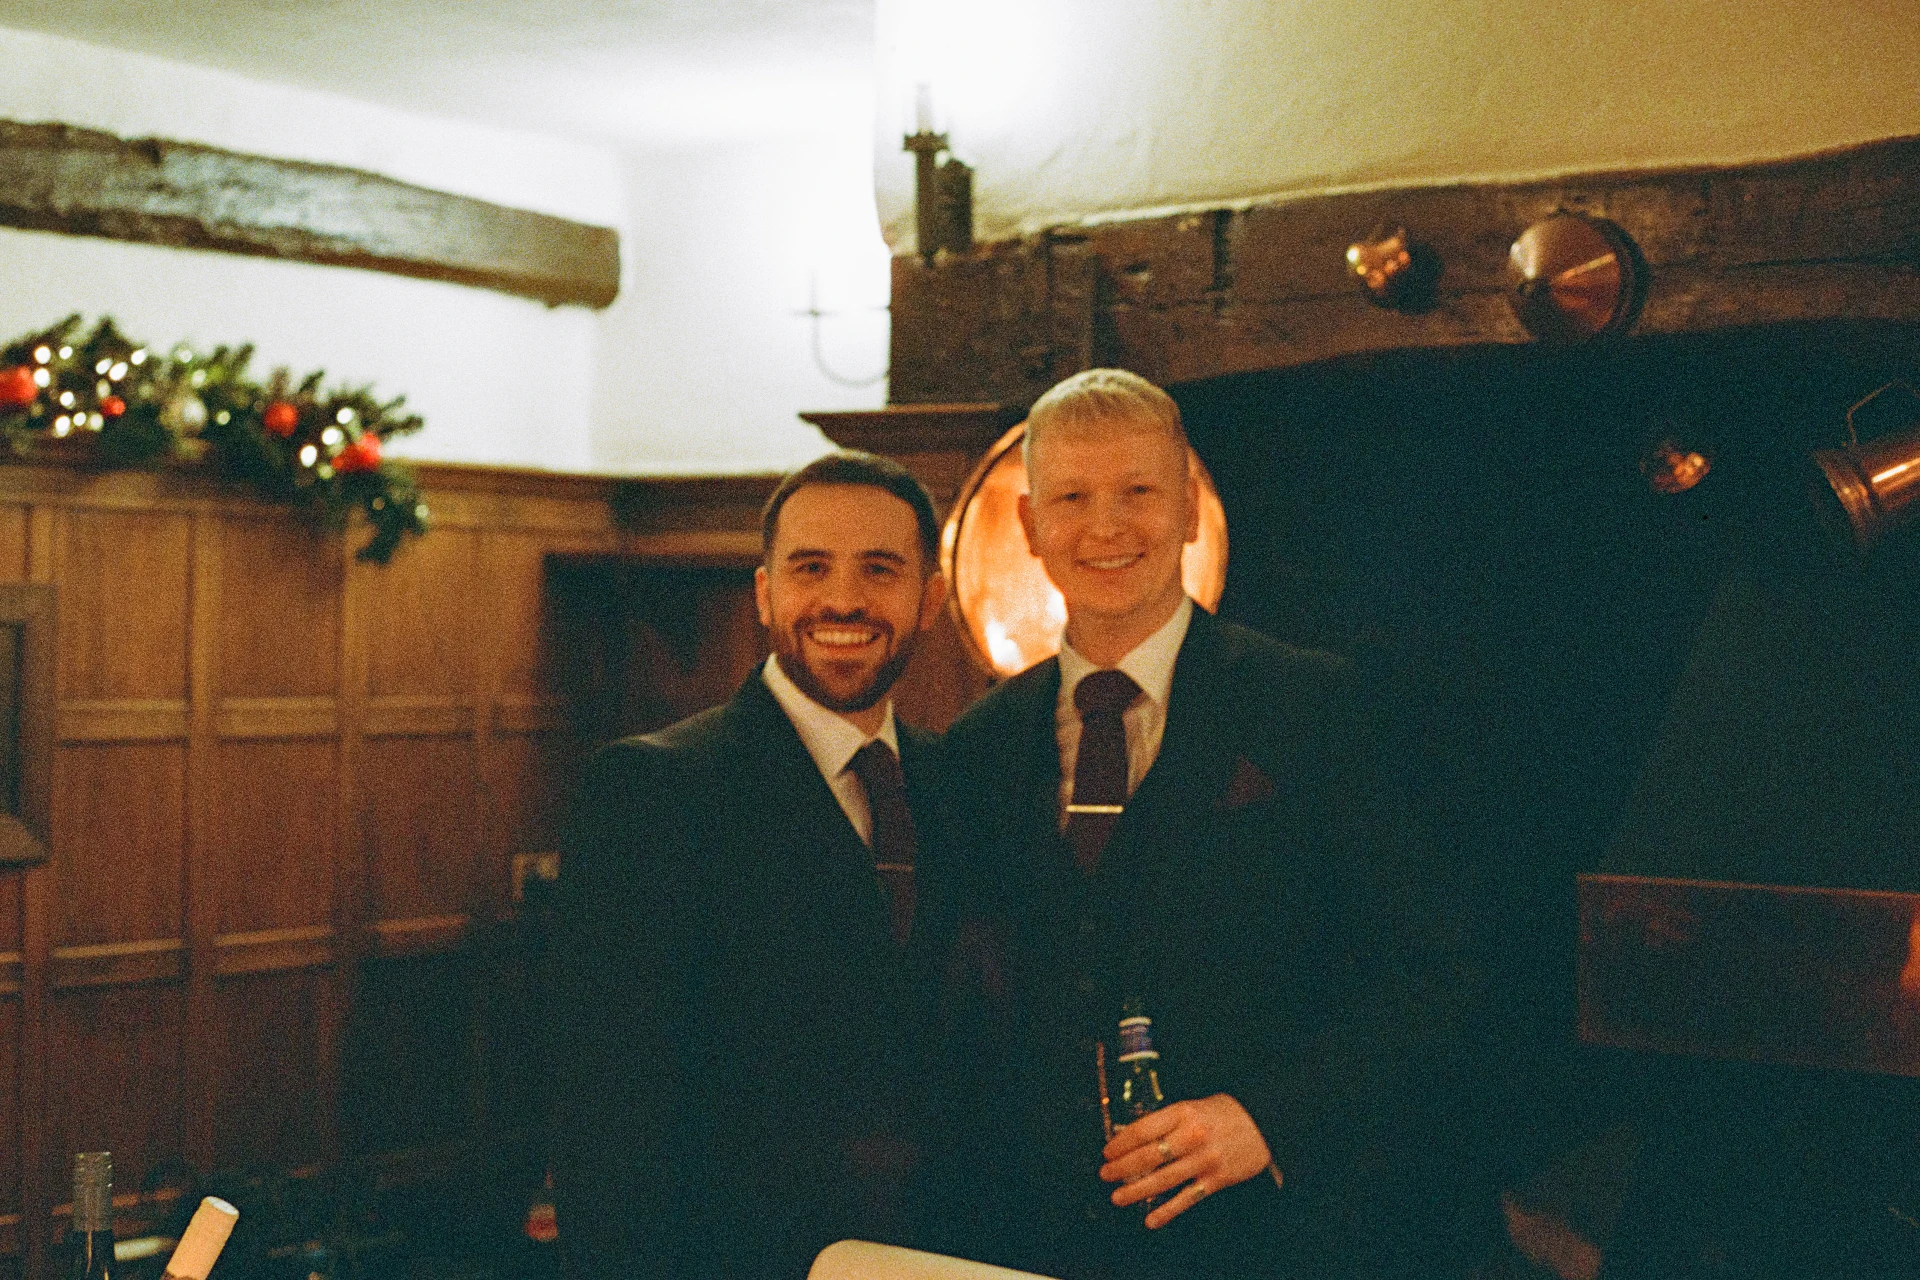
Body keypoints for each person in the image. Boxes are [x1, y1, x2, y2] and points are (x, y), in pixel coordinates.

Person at [930, 369, 1451, 1279]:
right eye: (1072, 498)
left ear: (1189, 510)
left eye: (1138, 491)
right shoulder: (976, 747)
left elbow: (1437, 974)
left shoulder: (1318, 706)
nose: (1106, 527)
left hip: (1270, 1242)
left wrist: (1268, 1120)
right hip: (1038, 1240)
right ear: (1029, 527)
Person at [549, 451, 950, 1279]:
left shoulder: (956, 783)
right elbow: (606, 1114)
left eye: (880, 569)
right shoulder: (654, 789)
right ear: (766, 594)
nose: (844, 599)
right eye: (811, 568)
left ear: (930, 601)